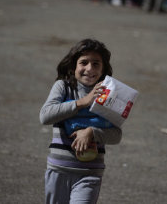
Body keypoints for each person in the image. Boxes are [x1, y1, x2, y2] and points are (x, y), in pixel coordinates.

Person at [39, 39, 122, 204]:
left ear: (103, 69)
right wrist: (83, 102)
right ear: (73, 67)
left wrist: (92, 132)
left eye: (96, 64)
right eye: (83, 62)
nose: (89, 69)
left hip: (90, 173)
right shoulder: (63, 87)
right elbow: (45, 116)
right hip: (58, 170)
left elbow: (116, 135)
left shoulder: (109, 94)